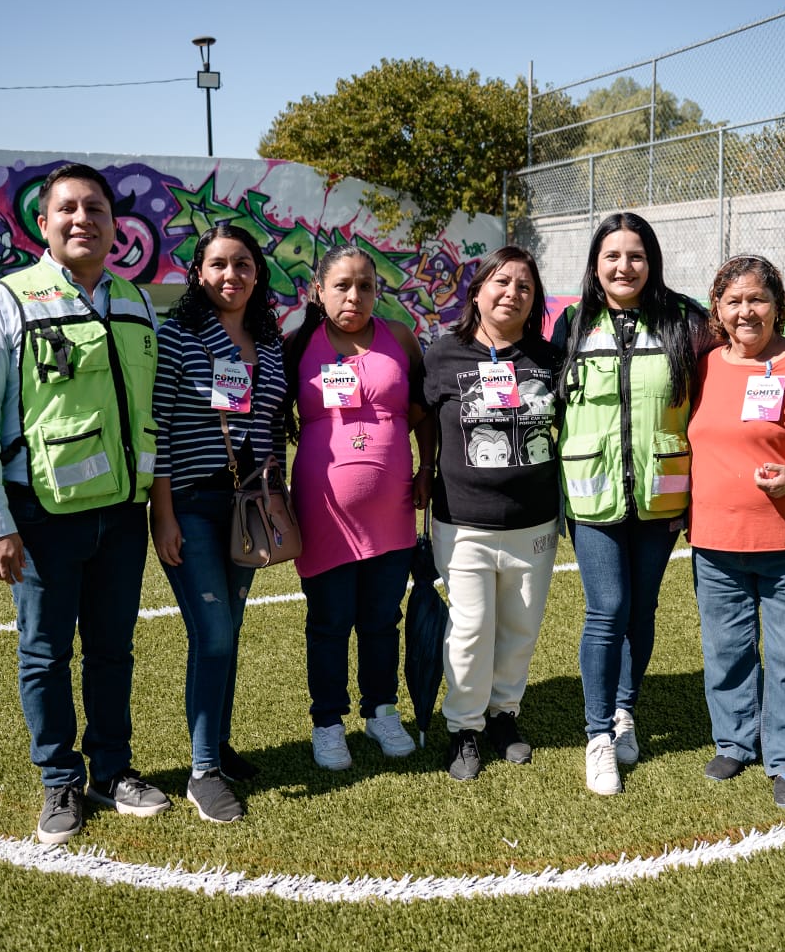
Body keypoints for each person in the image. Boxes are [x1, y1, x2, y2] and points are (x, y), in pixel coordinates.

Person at [0, 163, 169, 845]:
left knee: (112, 650)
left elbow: (151, 414)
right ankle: (59, 778)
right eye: (68, 209)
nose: (83, 220)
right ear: (42, 224)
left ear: (115, 224)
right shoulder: (4, 303)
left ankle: (112, 770)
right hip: (42, 515)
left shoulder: (136, 303)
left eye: (95, 208)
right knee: (45, 653)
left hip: (122, 515)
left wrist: (154, 505)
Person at [553, 212, 709, 795]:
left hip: (661, 494)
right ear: (595, 264)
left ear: (652, 262)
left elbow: (726, 382)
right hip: (591, 492)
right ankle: (597, 737)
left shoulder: (685, 320)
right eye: (612, 256)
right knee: (608, 608)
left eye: (636, 256)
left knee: (641, 610)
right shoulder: (572, 324)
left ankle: (624, 712)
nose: (625, 267)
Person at [687, 255, 785, 809]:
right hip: (714, 541)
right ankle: (735, 740)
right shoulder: (703, 365)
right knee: (726, 651)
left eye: (757, 298)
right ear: (717, 309)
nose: (746, 311)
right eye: (733, 301)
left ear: (779, 305)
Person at [150, 225, 287, 823]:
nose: (232, 275)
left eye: (243, 264)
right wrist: (162, 515)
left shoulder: (269, 342)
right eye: (219, 265)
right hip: (192, 505)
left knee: (229, 628)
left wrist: (276, 498)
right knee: (213, 635)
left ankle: (221, 748)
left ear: (257, 273)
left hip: (247, 508)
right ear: (199, 272)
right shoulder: (179, 336)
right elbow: (157, 428)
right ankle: (203, 771)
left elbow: (274, 425)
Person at [284, 243, 434, 770]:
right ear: (318, 291)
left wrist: (427, 468)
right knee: (328, 621)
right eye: (342, 286)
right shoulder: (296, 344)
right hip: (323, 509)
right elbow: (268, 416)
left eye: (365, 286)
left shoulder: (401, 339)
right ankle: (328, 722)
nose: (354, 296)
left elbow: (423, 414)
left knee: (381, 619)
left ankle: (381, 711)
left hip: (392, 510)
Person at [423, 246, 561, 781]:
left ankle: (504, 714)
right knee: (471, 628)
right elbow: (422, 417)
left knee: (520, 629)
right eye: (501, 282)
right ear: (477, 290)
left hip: (534, 522)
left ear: (535, 299)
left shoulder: (549, 358)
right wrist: (423, 468)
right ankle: (463, 727)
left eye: (524, 286)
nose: (512, 294)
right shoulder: (442, 355)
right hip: (463, 522)